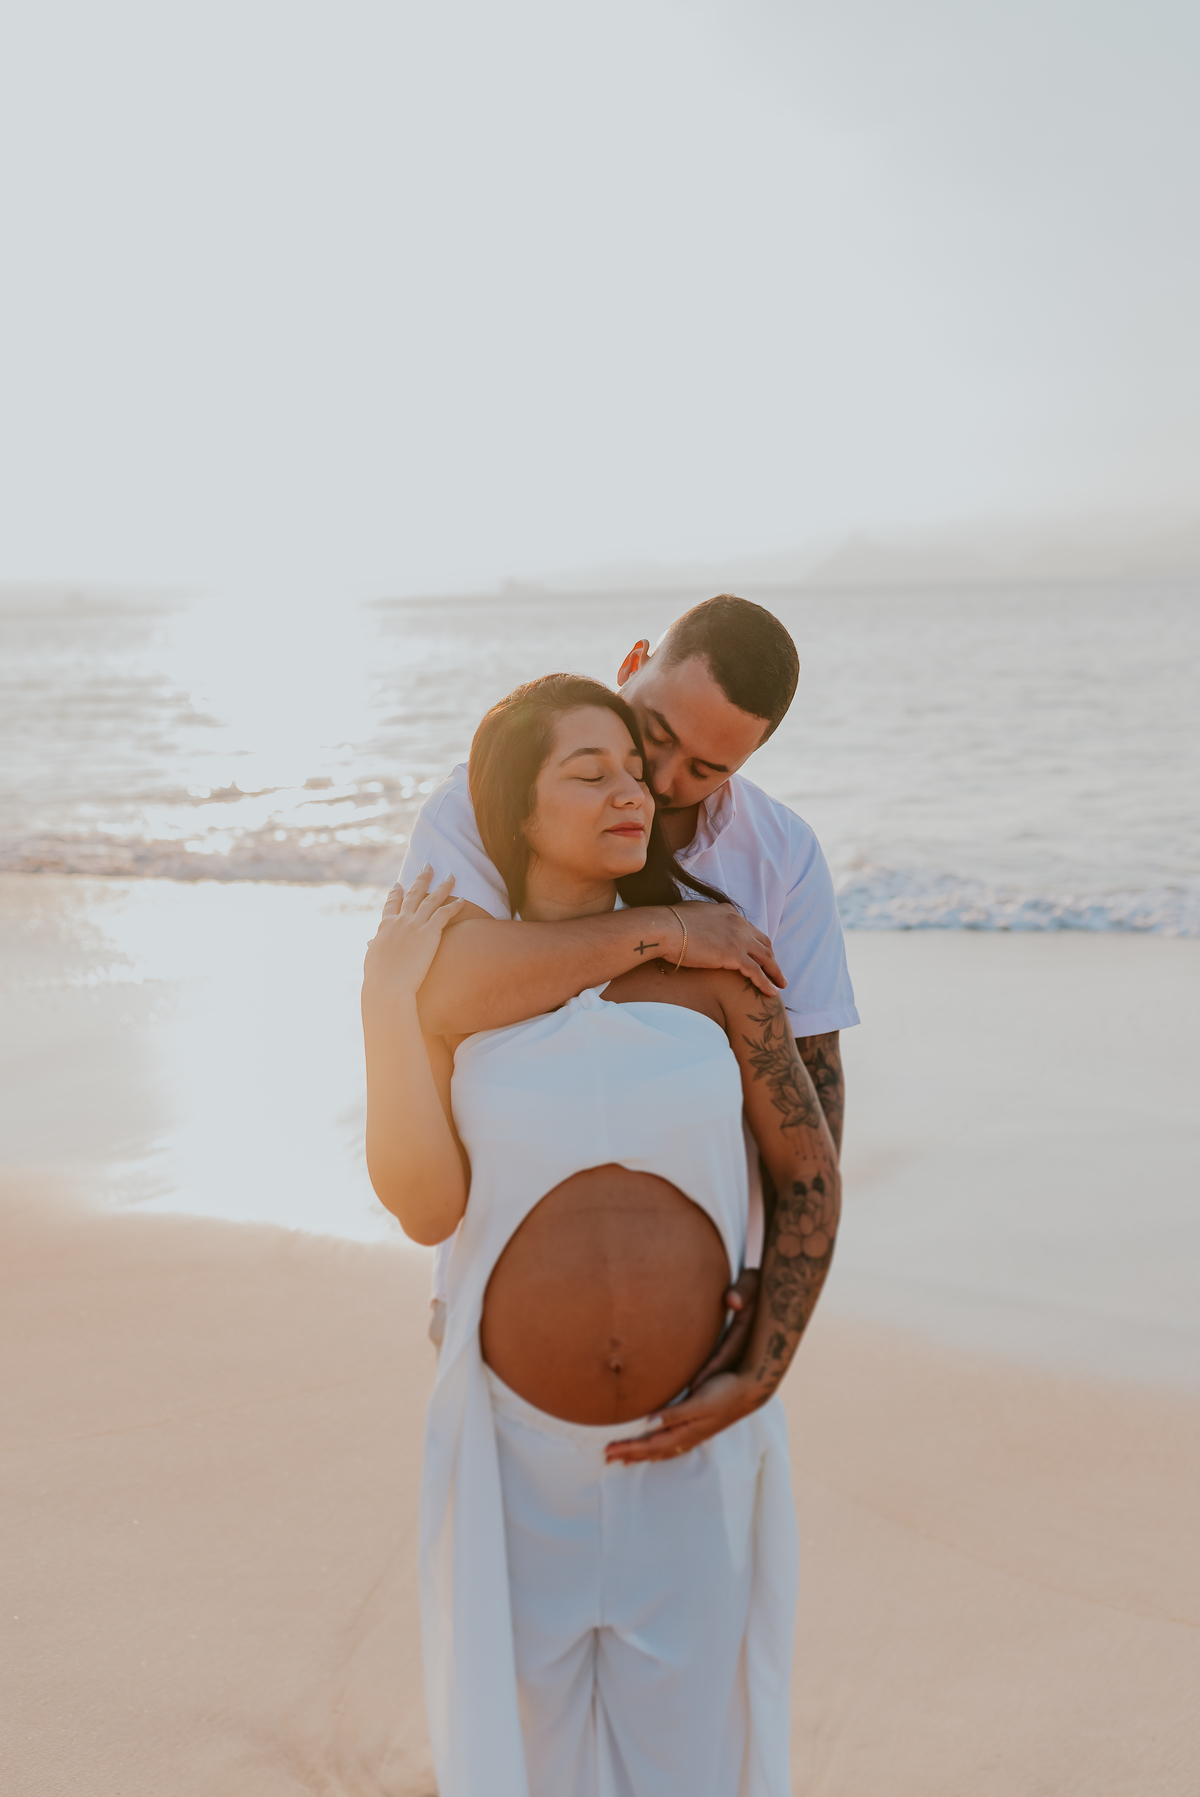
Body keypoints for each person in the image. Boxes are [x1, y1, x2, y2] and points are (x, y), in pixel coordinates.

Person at [361, 675, 842, 1797]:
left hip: (690, 1447)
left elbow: (808, 1174)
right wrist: (384, 1006)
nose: (633, 791)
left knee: (691, 1770)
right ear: (513, 813)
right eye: (591, 774)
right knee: (523, 1769)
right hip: (515, 1457)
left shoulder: (723, 972)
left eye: (637, 770)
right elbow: (425, 1206)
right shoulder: (457, 985)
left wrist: (761, 1373)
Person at [402, 595, 858, 1350]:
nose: (666, 779)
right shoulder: (481, 804)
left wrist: (772, 1326)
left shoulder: (782, 855)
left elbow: (814, 1106)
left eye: (709, 768)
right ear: (631, 663)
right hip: (498, 1293)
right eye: (657, 734)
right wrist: (668, 930)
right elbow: (445, 991)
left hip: (705, 1302)